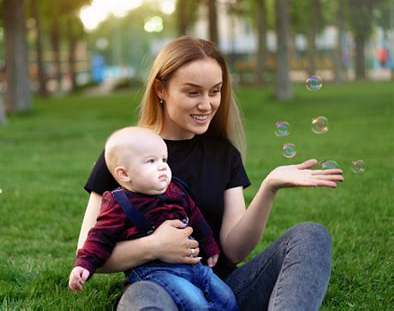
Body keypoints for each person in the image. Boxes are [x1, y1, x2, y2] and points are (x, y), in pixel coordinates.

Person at [75, 36, 344, 311]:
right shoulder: (124, 154)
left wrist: (269, 188)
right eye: (193, 92)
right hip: (161, 286)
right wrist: (155, 246)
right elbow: (89, 251)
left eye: (214, 91)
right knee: (141, 298)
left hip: (226, 289)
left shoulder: (223, 154)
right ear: (160, 89)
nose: (206, 105)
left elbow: (234, 250)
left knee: (311, 235)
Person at [69, 126, 239, 310]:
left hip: (195, 267)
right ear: (124, 174)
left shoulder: (175, 190)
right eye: (151, 161)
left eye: (164, 160)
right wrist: (84, 265)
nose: (162, 166)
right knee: (195, 303)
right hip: (156, 272)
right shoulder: (119, 204)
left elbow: (196, 218)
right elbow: (99, 238)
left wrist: (209, 245)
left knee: (227, 298)